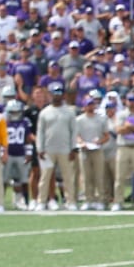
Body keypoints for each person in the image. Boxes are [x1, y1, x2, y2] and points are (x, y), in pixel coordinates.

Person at [35, 82, 76, 210]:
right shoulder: (44, 112)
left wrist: (73, 148)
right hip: (48, 149)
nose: (56, 96)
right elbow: (40, 131)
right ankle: (42, 201)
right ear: (50, 94)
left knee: (68, 177)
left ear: (63, 95)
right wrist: (40, 148)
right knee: (45, 176)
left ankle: (71, 202)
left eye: (59, 93)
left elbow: (73, 131)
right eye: (54, 93)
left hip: (64, 149)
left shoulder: (69, 112)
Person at [74, 96, 109, 211]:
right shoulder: (79, 120)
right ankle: (88, 199)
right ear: (84, 106)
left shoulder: (100, 119)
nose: (90, 107)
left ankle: (100, 199)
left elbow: (106, 135)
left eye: (92, 104)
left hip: (97, 149)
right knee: (86, 176)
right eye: (88, 105)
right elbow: (76, 135)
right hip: (84, 150)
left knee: (99, 175)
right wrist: (81, 142)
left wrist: (99, 141)